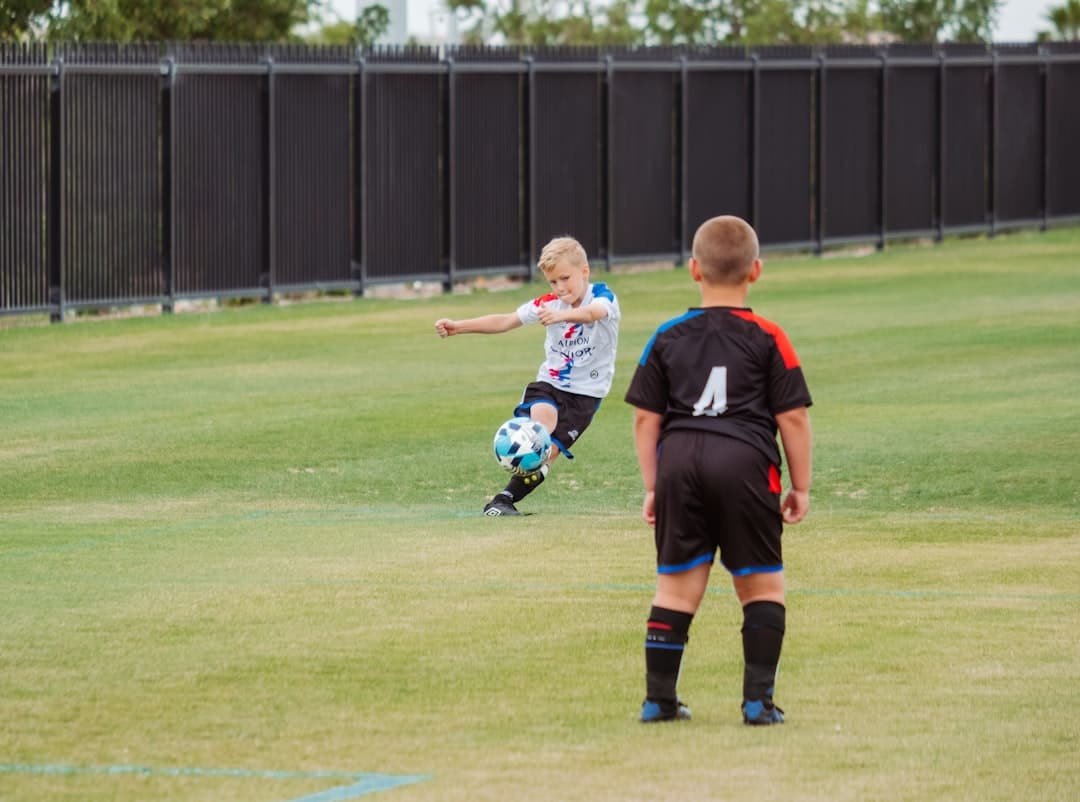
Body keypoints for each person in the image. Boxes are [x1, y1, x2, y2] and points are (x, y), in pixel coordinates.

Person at [624, 215, 812, 725]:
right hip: (747, 465)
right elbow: (791, 416)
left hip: (680, 464)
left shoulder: (666, 335)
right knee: (762, 588)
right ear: (756, 270)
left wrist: (652, 485)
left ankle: (658, 700)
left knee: (675, 590)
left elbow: (646, 417)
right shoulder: (770, 337)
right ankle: (758, 703)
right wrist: (800, 486)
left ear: (693, 270)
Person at [435, 236, 621, 516]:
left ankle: (505, 498)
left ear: (585, 271)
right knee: (541, 430)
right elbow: (507, 320)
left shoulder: (603, 296)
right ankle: (504, 493)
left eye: (565, 278)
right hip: (550, 383)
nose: (559, 288)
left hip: (586, 394)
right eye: (552, 282)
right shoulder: (549, 303)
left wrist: (563, 317)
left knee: (549, 453)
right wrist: (459, 326)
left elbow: (593, 314)